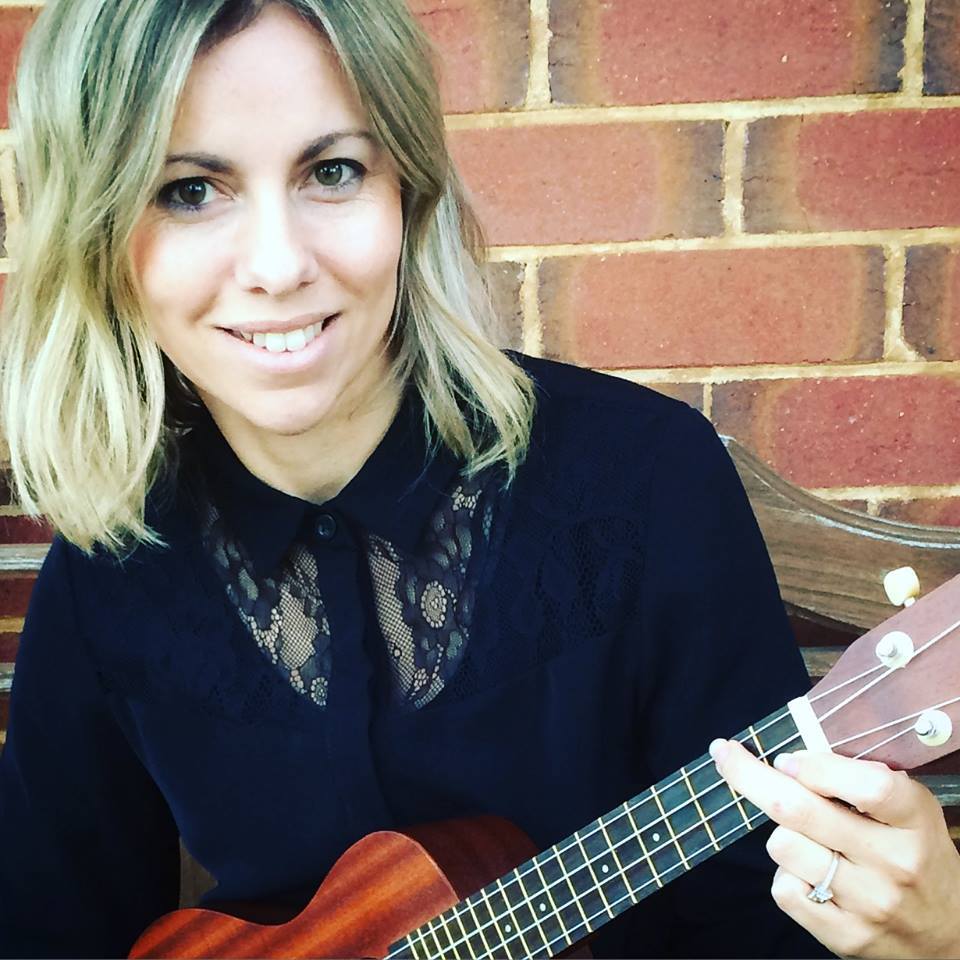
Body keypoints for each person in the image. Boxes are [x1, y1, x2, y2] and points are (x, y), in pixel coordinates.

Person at [0, 0, 956, 957]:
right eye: (189, 191)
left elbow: (762, 918)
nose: (280, 266)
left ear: (408, 193)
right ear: (97, 239)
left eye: (332, 172)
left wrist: (932, 940)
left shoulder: (642, 481)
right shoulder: (113, 565)